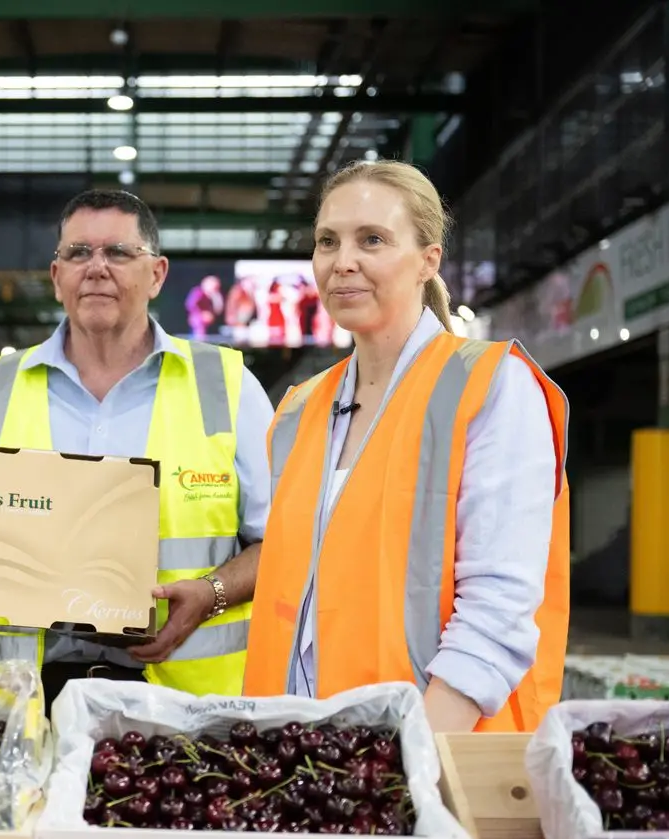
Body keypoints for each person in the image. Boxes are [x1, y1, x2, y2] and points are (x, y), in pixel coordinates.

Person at [243, 159, 570, 733]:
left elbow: (496, 614)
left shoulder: (491, 385)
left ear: (428, 260)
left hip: (437, 756)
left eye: (372, 239)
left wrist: (406, 761)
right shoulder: (298, 411)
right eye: (327, 241)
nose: (343, 261)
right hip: (304, 752)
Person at [0, 189, 274, 707]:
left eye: (119, 252)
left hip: (183, 707)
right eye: (78, 252)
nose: (96, 268)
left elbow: (283, 540)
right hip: (25, 702)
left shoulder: (227, 387)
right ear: (57, 276)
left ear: (157, 274)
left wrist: (211, 594)